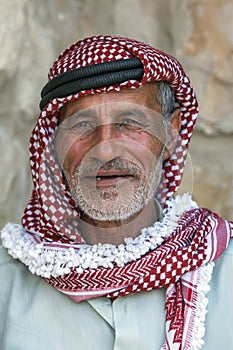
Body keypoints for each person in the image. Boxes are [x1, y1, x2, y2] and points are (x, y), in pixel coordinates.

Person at [0, 35, 233, 350]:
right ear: (54, 144)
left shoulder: (223, 268)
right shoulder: (7, 281)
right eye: (82, 124)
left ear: (171, 133)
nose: (106, 149)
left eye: (129, 122)